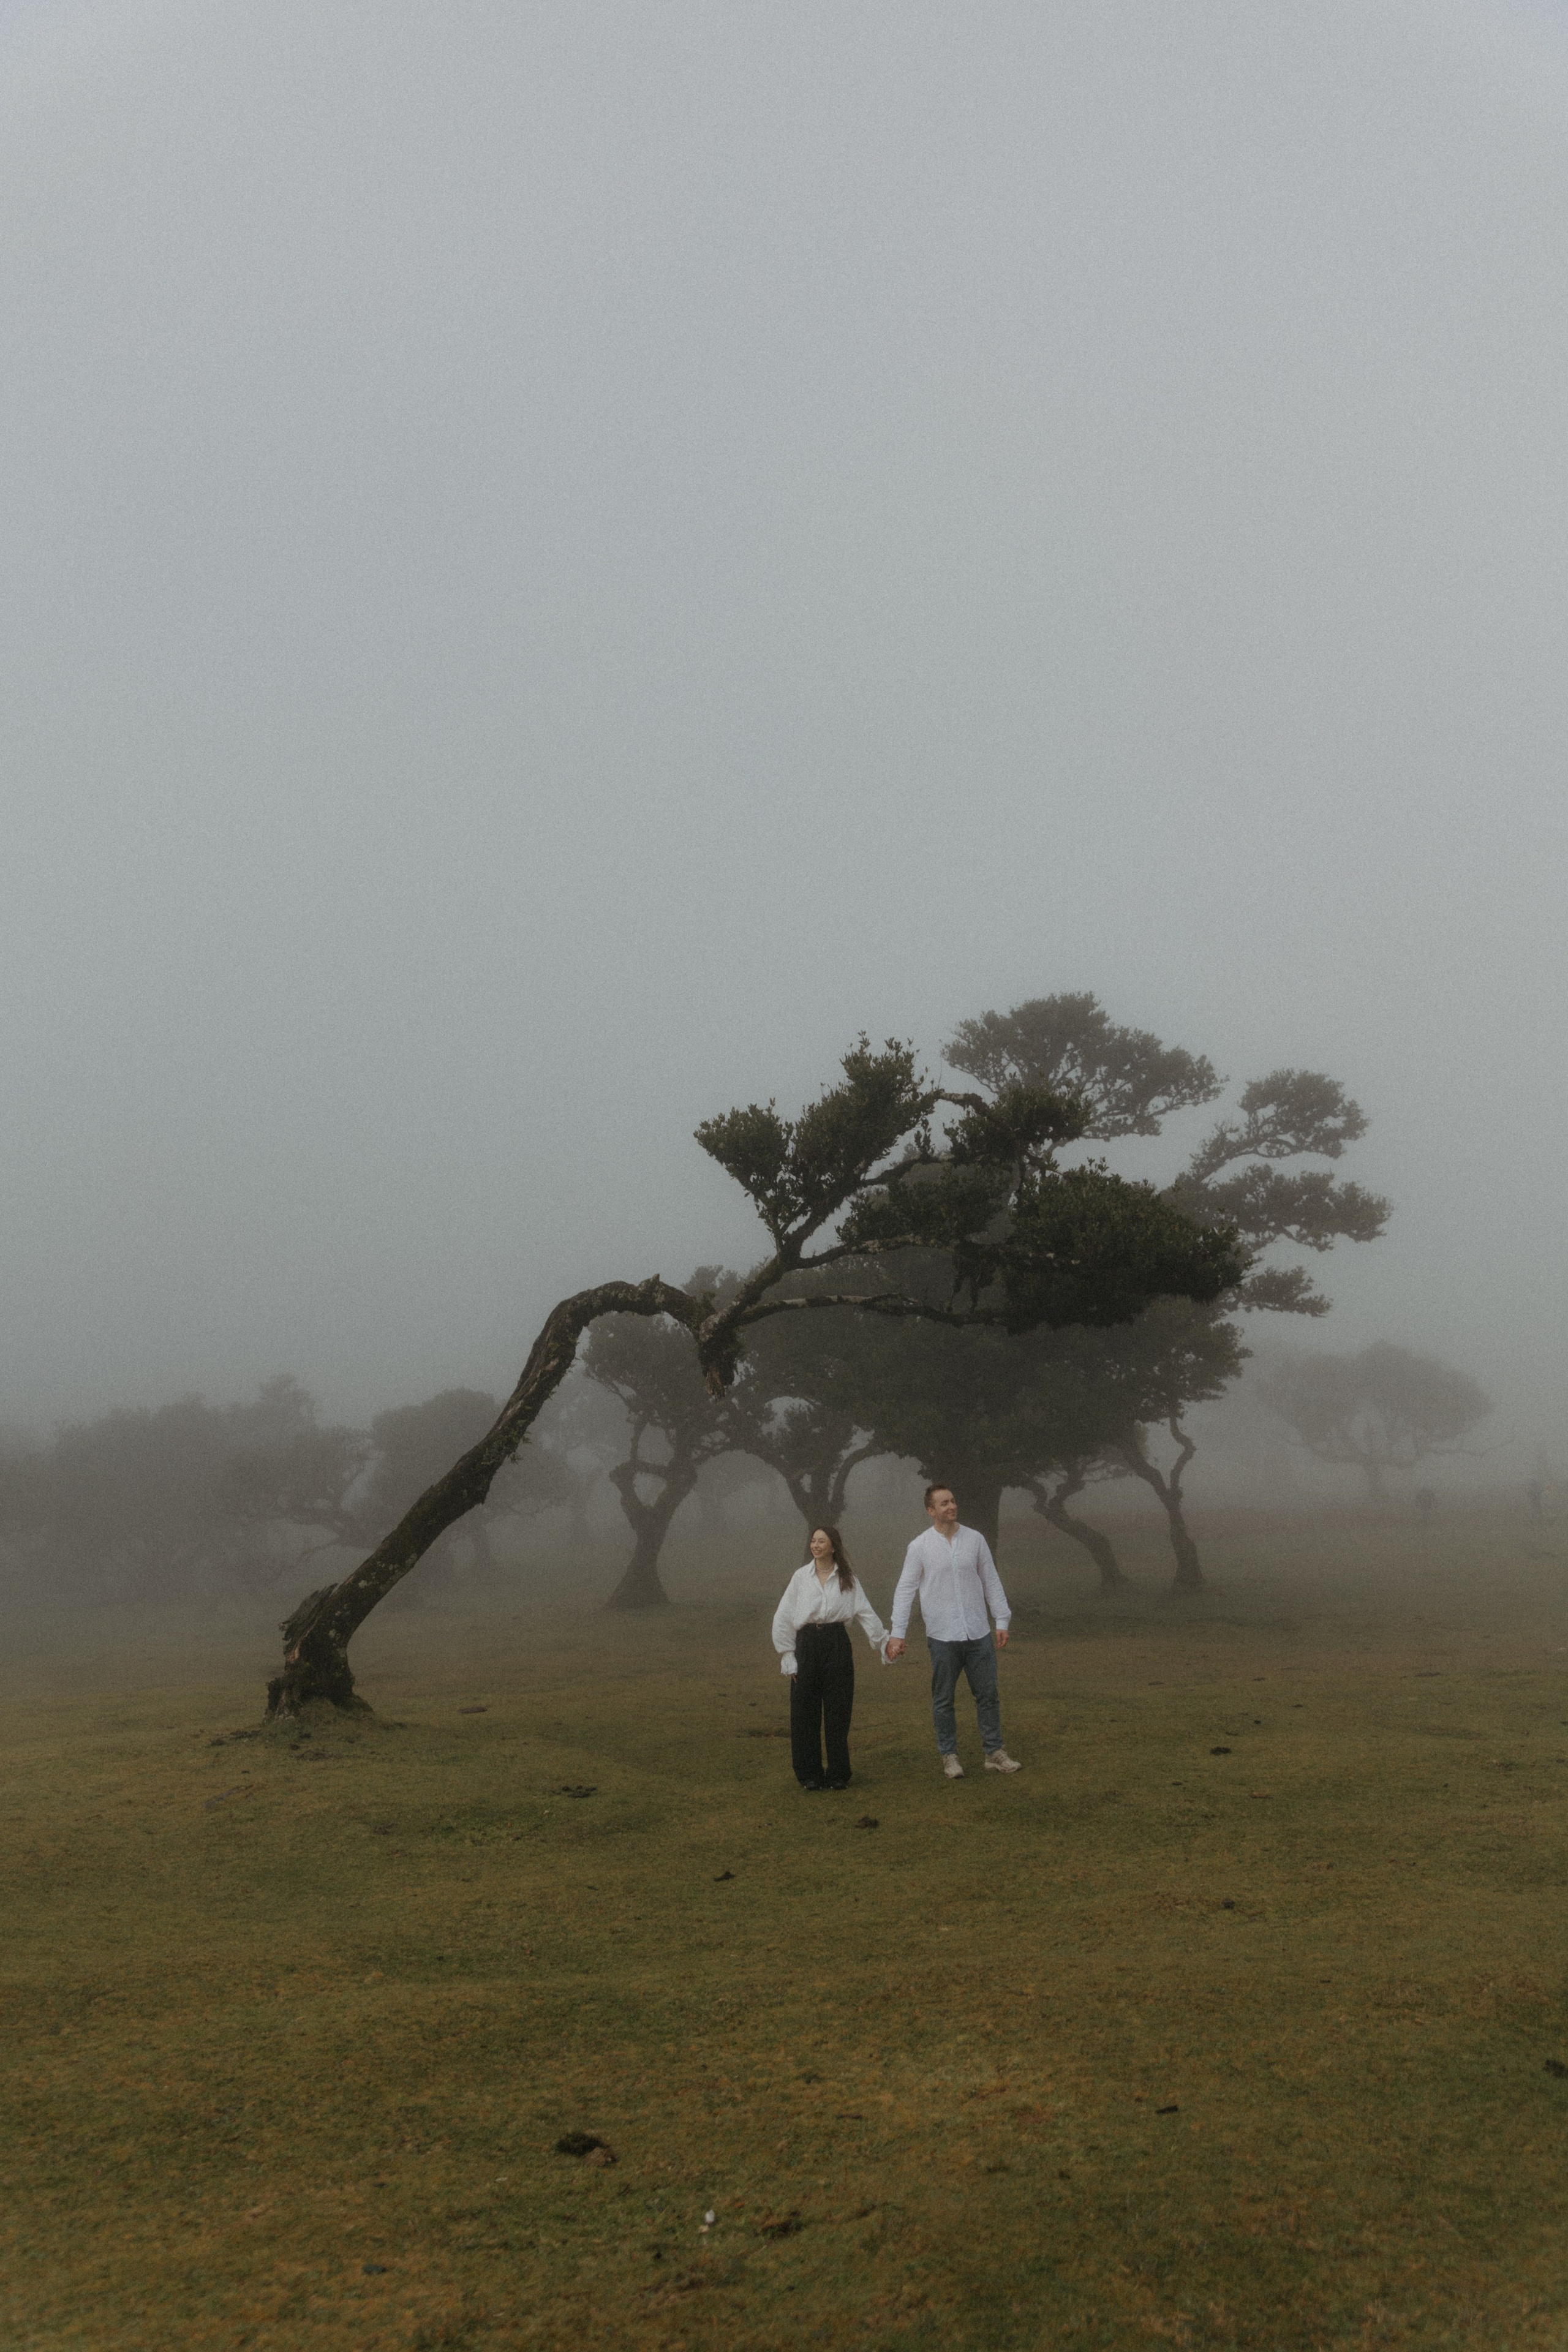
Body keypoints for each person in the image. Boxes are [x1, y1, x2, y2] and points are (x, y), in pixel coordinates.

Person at [886, 1483, 1021, 1777]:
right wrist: (898, 1632)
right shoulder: (919, 1546)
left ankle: (994, 1752)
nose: (951, 1507)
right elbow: (905, 1590)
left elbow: (991, 1580)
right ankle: (950, 1756)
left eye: (953, 1501)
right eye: (943, 1504)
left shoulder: (975, 1540)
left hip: (978, 1633)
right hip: (942, 1636)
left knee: (988, 1695)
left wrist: (1001, 1620)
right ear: (930, 1511)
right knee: (944, 1699)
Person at [772, 1525, 894, 1790]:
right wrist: (788, 1655)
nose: (816, 1545)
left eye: (821, 1541)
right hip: (806, 1645)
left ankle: (838, 1773)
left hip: (836, 1644)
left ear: (833, 1546)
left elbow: (865, 1612)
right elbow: (783, 1616)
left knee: (838, 1710)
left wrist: (883, 1643)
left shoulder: (848, 1579)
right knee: (805, 1711)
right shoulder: (800, 1577)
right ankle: (810, 1775)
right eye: (813, 1541)